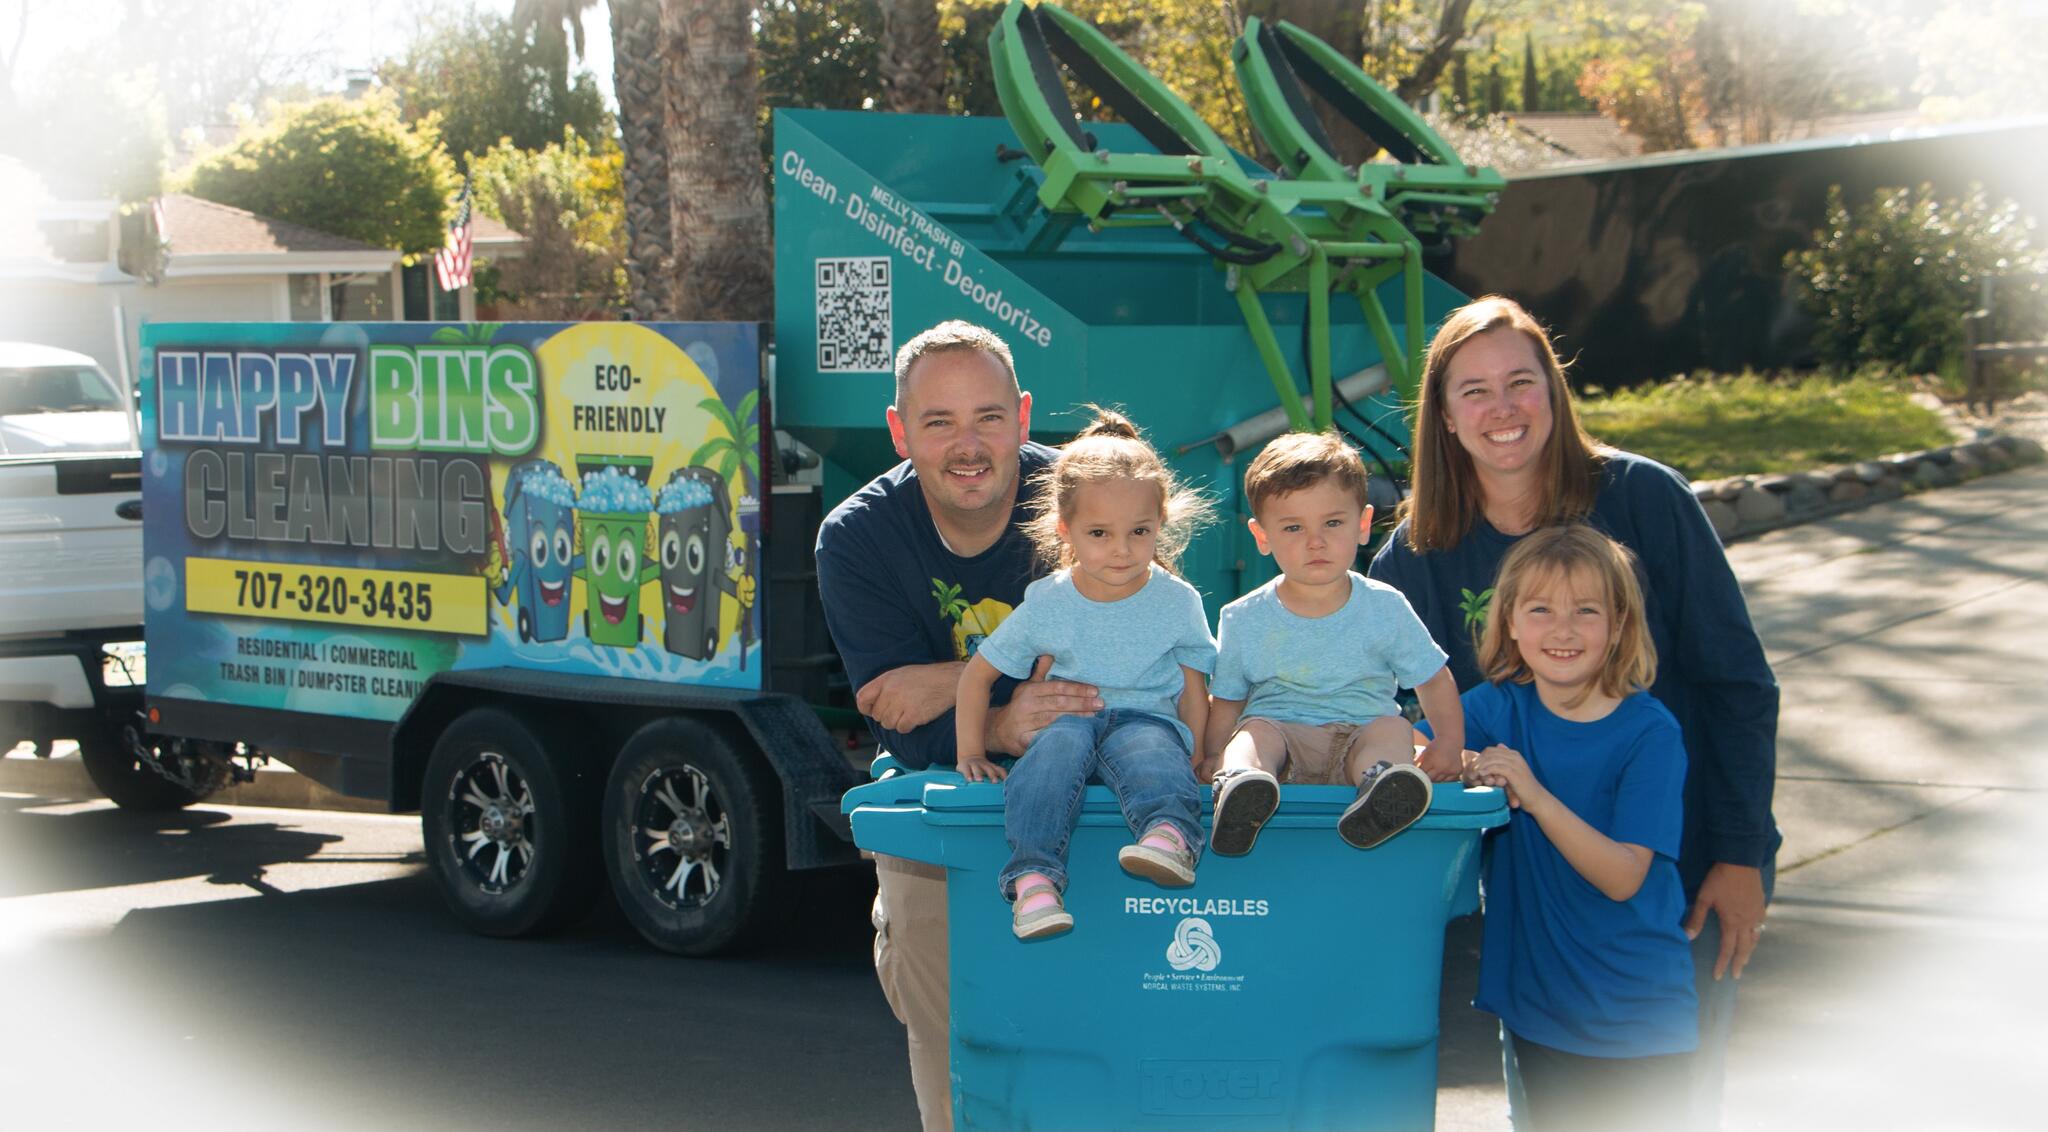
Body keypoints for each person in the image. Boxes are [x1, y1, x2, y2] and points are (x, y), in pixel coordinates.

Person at [1368, 295, 1779, 1130]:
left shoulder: (1644, 500)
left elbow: (1737, 683)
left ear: (1554, 392)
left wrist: (1742, 854)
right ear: (1443, 417)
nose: (1502, 409)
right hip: (1539, 907)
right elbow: (1399, 724)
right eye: (1474, 392)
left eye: (1522, 382)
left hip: (1677, 876)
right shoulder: (1415, 559)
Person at [815, 321, 1104, 1132]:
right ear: (900, 431)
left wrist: (957, 683)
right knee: (950, 1039)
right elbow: (900, 725)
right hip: (937, 807)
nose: (967, 445)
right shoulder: (858, 536)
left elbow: (1129, 668)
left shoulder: (1086, 499)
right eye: (938, 422)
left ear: (1022, 416)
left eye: (987, 417)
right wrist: (1008, 716)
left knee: (1096, 1027)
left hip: (1088, 790)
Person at [1434, 524, 1698, 1132]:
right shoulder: (1497, 706)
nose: (1563, 629)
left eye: (1586, 610)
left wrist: (1533, 794)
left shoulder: (1649, 734)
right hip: (1540, 1009)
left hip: (1637, 1018)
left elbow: (1623, 877)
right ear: (1512, 623)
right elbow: (1417, 747)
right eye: (1541, 609)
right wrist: (1469, 762)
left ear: (1620, 624)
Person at [955, 408, 1217, 940]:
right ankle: (1033, 880)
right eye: (1099, 532)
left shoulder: (1177, 600)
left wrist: (1201, 752)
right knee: (1053, 754)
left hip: (1144, 717)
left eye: (1138, 531)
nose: (1121, 549)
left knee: (1154, 751)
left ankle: (1169, 838)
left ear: (1160, 524)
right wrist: (970, 753)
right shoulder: (1048, 601)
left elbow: (1194, 686)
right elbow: (976, 676)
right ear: (1065, 528)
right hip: (1068, 718)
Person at [1201, 431, 1463, 857]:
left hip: (1359, 740)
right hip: (1282, 746)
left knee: (1393, 728)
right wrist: (1212, 753)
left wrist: (1448, 744)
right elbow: (1226, 698)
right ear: (1262, 536)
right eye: (1293, 527)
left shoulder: (1384, 606)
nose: (1315, 541)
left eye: (1333, 523)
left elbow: (1432, 678)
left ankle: (1381, 792)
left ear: (1362, 525)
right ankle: (1241, 783)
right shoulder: (1244, 616)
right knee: (1255, 732)